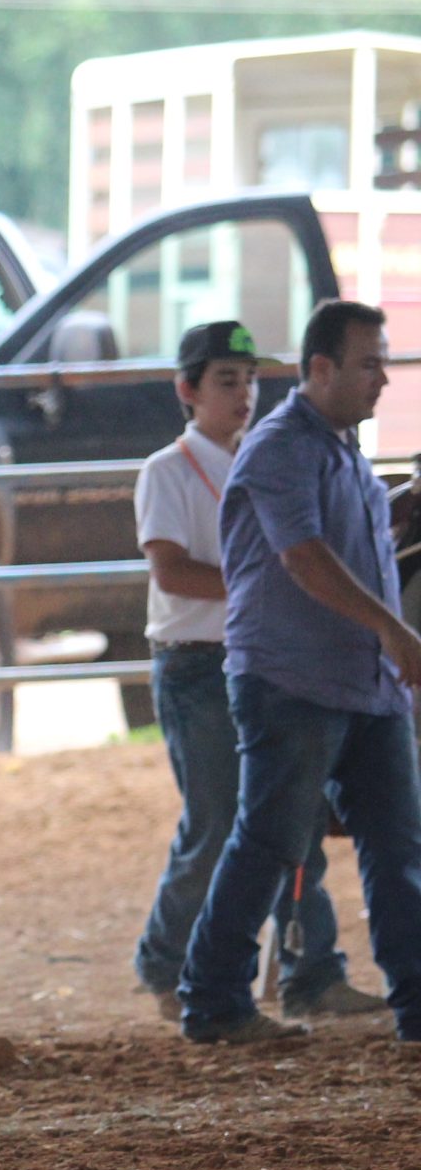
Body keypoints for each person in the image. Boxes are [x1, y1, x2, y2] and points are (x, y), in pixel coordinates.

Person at [177, 300, 421, 1045]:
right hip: (292, 678)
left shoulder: (342, 449)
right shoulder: (283, 446)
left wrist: (409, 505)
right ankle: (212, 996)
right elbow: (304, 556)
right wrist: (391, 626)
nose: (384, 378)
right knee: (271, 838)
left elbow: (360, 540)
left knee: (397, 842)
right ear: (322, 368)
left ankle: (417, 1001)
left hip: (361, 681)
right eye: (370, 363)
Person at [131, 321, 382, 1023]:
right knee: (220, 820)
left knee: (285, 818)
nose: (244, 394)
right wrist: (269, 582)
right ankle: (169, 959)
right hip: (194, 663)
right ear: (188, 390)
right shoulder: (168, 471)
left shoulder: (266, 458)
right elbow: (171, 570)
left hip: (252, 658)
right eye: (227, 381)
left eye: (251, 380)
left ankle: (309, 966)